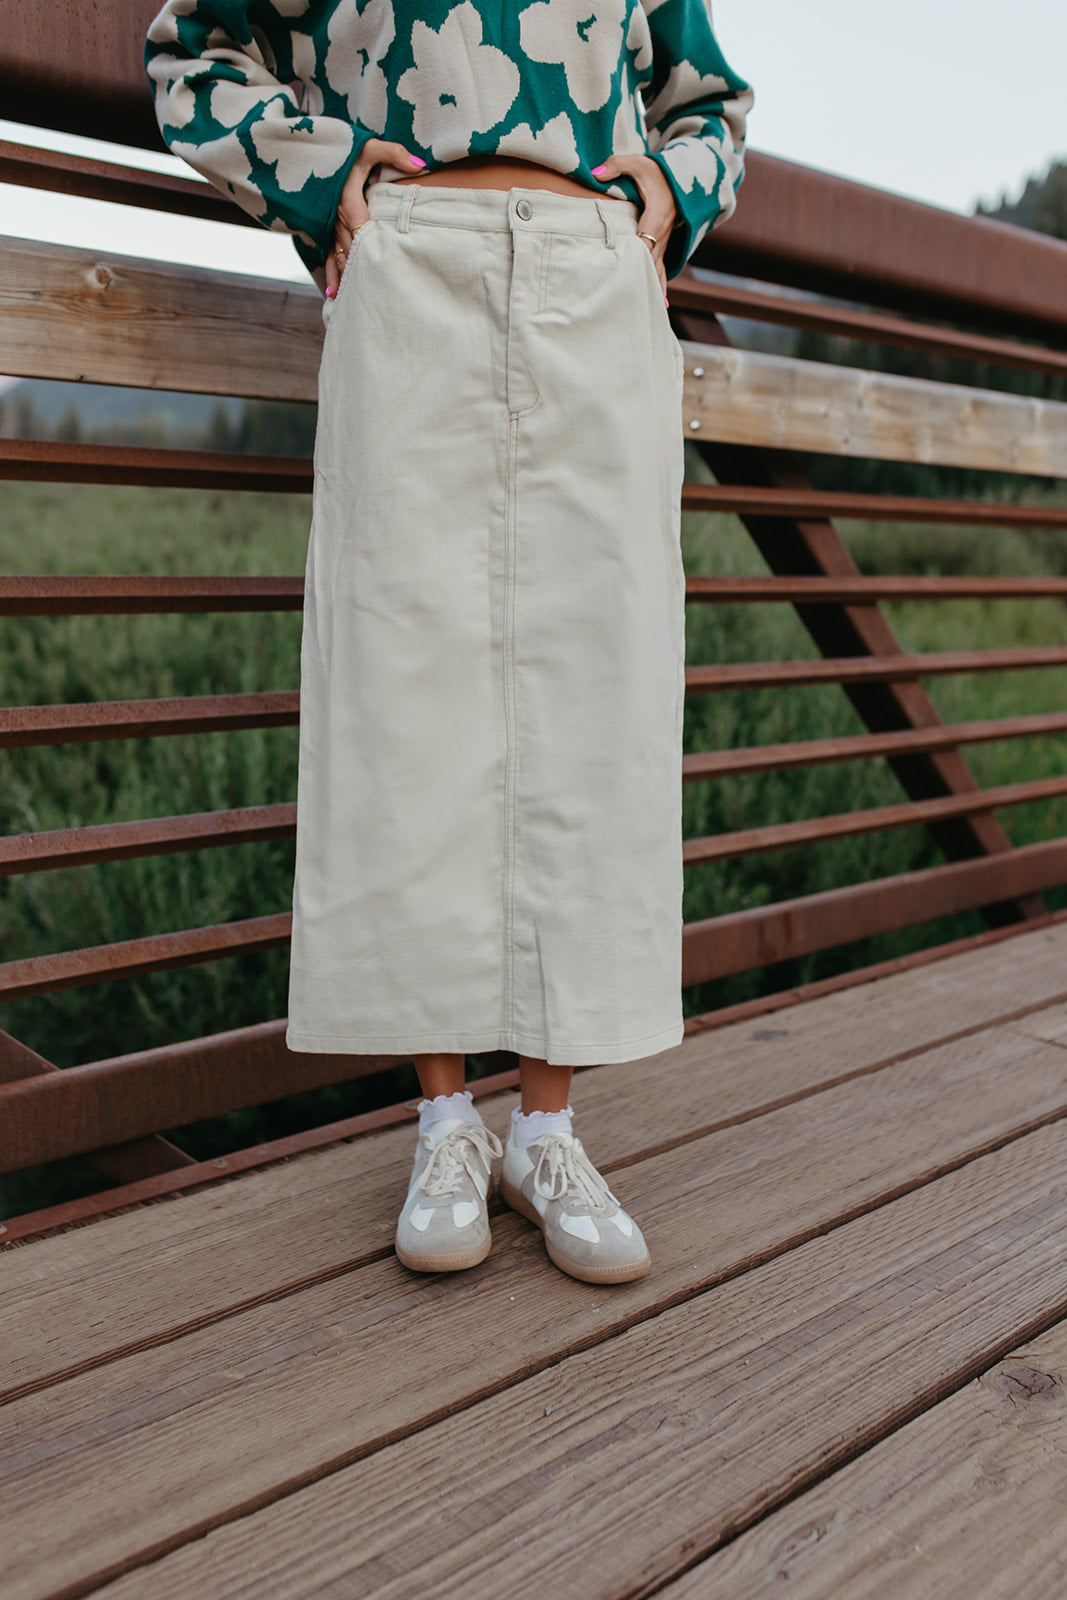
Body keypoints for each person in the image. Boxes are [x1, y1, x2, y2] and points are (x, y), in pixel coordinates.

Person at [146, 0, 752, 1286]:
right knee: (400, 681)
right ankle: (441, 1121)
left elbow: (708, 102)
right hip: (408, 265)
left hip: (594, 271)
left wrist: (662, 196)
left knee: (597, 679)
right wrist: (317, 175)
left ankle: (547, 1127)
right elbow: (190, 51)